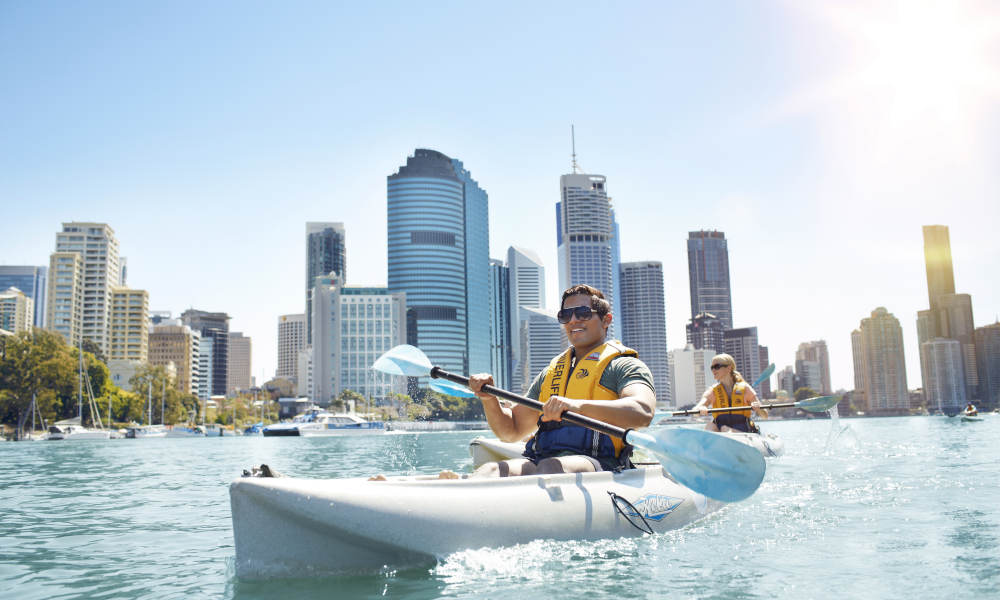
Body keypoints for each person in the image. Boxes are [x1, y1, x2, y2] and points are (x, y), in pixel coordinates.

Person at [467, 284, 656, 477]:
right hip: (542, 460)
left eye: (582, 313)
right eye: (565, 316)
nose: (573, 320)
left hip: (601, 464)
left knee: (551, 468)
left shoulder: (623, 365)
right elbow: (512, 431)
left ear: (606, 320)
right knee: (491, 469)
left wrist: (575, 406)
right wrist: (488, 398)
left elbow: (643, 411)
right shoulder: (551, 373)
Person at [693, 353, 766, 433]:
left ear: (729, 368)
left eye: (717, 367)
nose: (713, 370)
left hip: (743, 431)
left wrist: (758, 408)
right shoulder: (713, 391)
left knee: (725, 429)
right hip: (722, 431)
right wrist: (701, 408)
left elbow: (764, 415)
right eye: (712, 367)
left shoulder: (745, 389)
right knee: (710, 426)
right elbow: (697, 409)